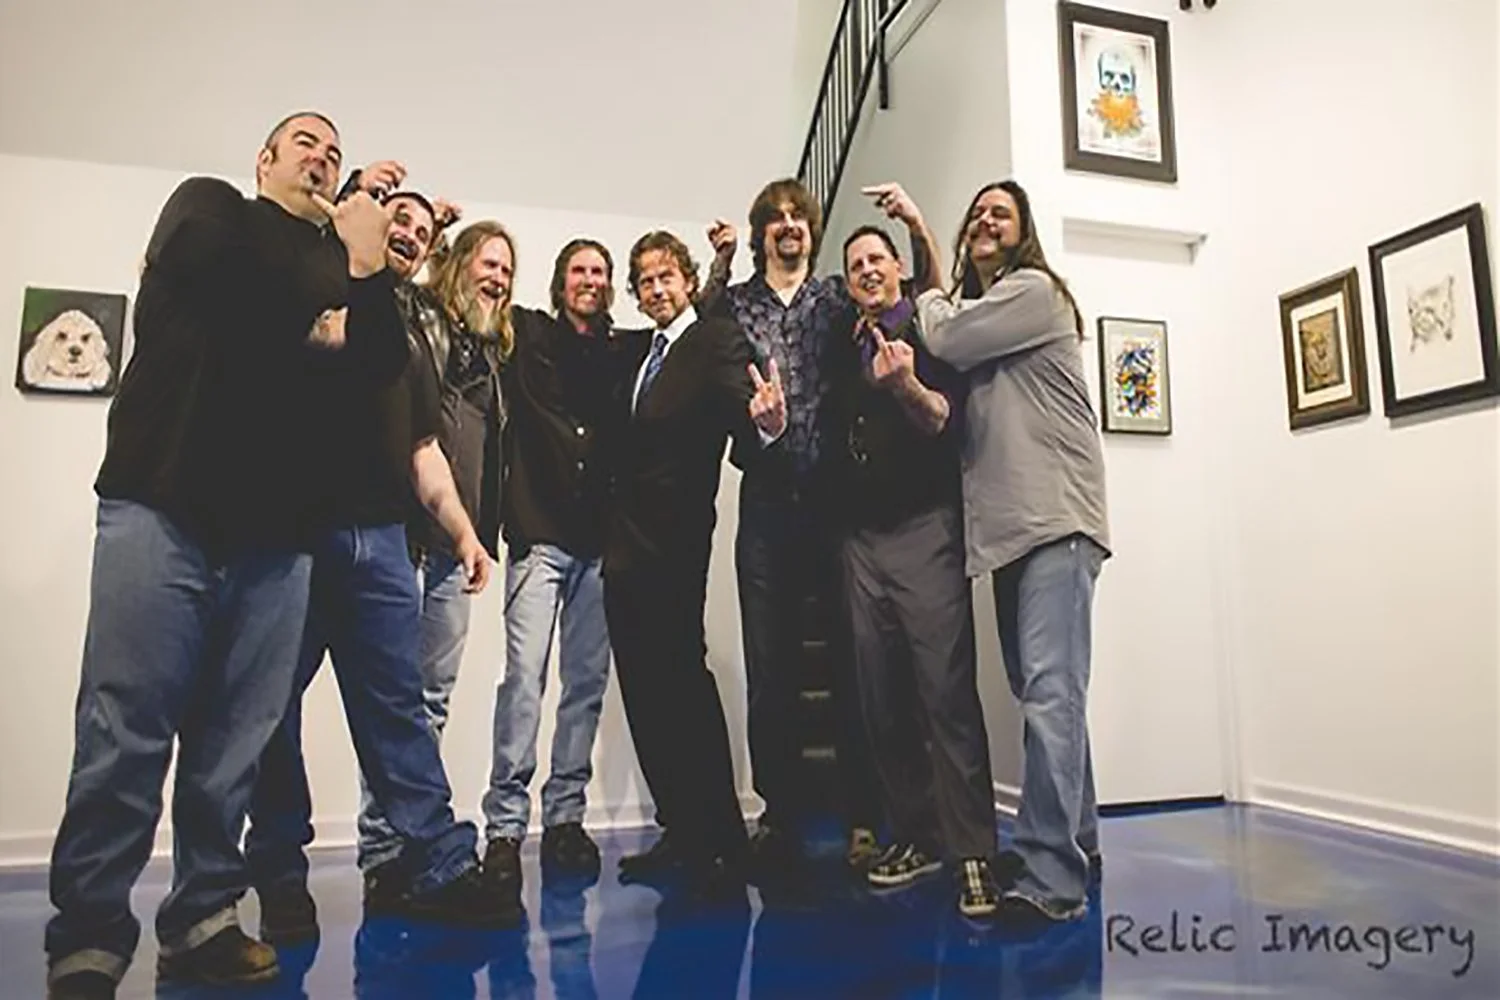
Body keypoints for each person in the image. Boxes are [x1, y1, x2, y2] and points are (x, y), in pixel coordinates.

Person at [44, 111, 406, 999]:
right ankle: (89, 935)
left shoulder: (340, 266)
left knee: (235, 744)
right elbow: (231, 288)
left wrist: (362, 276)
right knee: (124, 728)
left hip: (278, 537)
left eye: (336, 153)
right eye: (306, 143)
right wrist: (337, 282)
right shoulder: (210, 207)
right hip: (161, 507)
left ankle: (204, 920)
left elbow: (379, 363)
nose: (323, 157)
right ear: (264, 159)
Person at [244, 178, 513, 940]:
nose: (412, 233)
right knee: (271, 711)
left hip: (384, 542)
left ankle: (437, 863)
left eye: (423, 230)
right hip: (298, 536)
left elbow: (424, 446)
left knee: (400, 712)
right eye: (400, 219)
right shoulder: (316, 285)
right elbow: (307, 345)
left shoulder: (413, 337)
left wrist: (462, 531)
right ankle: (280, 878)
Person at [881, 178, 1111, 929]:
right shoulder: (987, 312)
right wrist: (924, 236)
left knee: (1050, 696)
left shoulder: (1033, 293)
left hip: (1053, 521)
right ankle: (1076, 844)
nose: (986, 220)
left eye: (1000, 214)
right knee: (1048, 694)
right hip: (1013, 530)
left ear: (1024, 231)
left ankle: (1052, 880)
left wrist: (921, 262)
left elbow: (943, 332)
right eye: (977, 212)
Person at [697, 178, 884, 874]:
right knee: (770, 666)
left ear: (811, 228)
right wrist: (720, 263)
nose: (788, 225)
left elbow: (896, 299)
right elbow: (700, 327)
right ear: (761, 234)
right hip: (767, 502)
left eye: (797, 216)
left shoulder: (835, 297)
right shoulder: (738, 302)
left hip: (837, 503)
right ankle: (780, 815)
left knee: (851, 661)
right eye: (774, 218)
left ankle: (864, 815)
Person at [824, 224, 1001, 919]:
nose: (867, 270)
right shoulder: (844, 343)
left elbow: (941, 421)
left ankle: (973, 852)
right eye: (855, 264)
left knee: (946, 696)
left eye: (877, 258)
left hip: (926, 531)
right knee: (882, 700)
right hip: (859, 541)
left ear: (899, 266)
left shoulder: (931, 331)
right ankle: (918, 837)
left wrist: (904, 386)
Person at [606, 230, 786, 901]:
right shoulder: (640, 352)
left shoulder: (713, 341)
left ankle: (721, 841)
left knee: (682, 683)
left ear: (687, 281)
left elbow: (749, 424)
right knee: (644, 691)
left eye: (666, 277)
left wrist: (769, 424)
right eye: (645, 281)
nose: (656, 289)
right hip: (621, 549)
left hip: (674, 543)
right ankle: (680, 830)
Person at [357, 219, 518, 899]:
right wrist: (438, 239)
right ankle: (382, 851)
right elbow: (396, 282)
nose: (498, 278)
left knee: (430, 700)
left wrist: (475, 535)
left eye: (507, 269)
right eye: (488, 263)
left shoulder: (493, 353)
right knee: (394, 702)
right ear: (457, 265)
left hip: (459, 544)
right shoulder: (423, 320)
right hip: (404, 534)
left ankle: (409, 845)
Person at [481, 238, 629, 894]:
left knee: (585, 685)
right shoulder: (527, 334)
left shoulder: (623, 351)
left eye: (599, 271)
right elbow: (473, 299)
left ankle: (565, 818)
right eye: (579, 270)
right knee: (523, 682)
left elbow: (688, 321)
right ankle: (505, 830)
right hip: (538, 537)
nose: (589, 280)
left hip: (599, 544)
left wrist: (713, 267)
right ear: (560, 281)